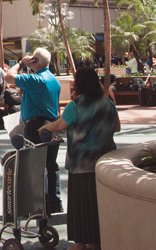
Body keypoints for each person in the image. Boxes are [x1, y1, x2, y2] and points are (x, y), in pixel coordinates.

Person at [40, 66, 121, 250]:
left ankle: (79, 244)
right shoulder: (108, 103)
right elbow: (117, 127)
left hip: (81, 165)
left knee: (81, 207)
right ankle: (96, 242)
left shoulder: (75, 105)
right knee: (97, 206)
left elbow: (60, 125)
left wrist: (46, 128)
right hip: (103, 165)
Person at [5, 48, 63, 213]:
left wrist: (21, 63)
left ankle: (38, 204)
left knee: (35, 165)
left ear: (35, 61)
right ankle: (54, 201)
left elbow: (8, 77)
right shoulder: (53, 80)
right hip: (52, 123)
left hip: (36, 125)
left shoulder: (36, 79)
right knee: (51, 164)